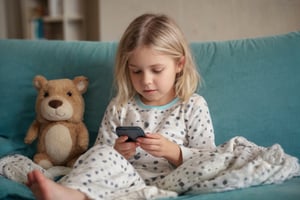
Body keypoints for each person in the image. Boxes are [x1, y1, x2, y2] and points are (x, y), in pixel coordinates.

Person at [26, 13, 216, 200]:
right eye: (136, 71)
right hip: (123, 181)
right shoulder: (120, 106)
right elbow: (100, 154)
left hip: (172, 182)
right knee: (101, 153)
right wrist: (117, 152)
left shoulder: (192, 105)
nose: (146, 81)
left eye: (157, 70)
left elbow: (209, 160)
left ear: (179, 64)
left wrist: (174, 152)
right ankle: (71, 195)